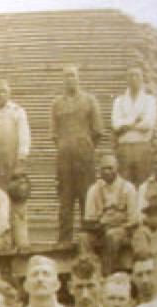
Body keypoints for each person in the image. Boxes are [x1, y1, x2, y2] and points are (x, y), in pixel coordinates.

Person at [51, 66, 103, 249]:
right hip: (64, 157)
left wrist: (84, 146)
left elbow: (97, 131)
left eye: (72, 76)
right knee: (65, 198)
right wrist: (67, 147)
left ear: (78, 78)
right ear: (63, 80)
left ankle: (87, 238)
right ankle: (64, 240)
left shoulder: (90, 101)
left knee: (86, 196)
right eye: (66, 77)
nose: (69, 79)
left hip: (84, 157)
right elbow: (54, 134)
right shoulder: (57, 104)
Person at [79, 154, 138, 274]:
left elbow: (134, 219)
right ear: (99, 170)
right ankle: (90, 272)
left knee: (112, 235)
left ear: (117, 168)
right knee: (83, 237)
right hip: (101, 230)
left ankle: (107, 273)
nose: (107, 171)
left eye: (110, 168)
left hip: (123, 231)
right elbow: (89, 218)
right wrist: (99, 226)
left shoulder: (128, 188)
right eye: (104, 168)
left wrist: (119, 226)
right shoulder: (94, 189)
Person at [111, 67, 157, 186]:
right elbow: (116, 125)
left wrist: (126, 124)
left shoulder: (149, 100)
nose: (134, 78)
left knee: (143, 184)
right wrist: (136, 121)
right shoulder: (119, 101)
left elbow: (148, 124)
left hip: (143, 147)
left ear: (142, 79)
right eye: (131, 76)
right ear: (126, 79)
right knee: (124, 185)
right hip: (124, 148)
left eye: (137, 75)